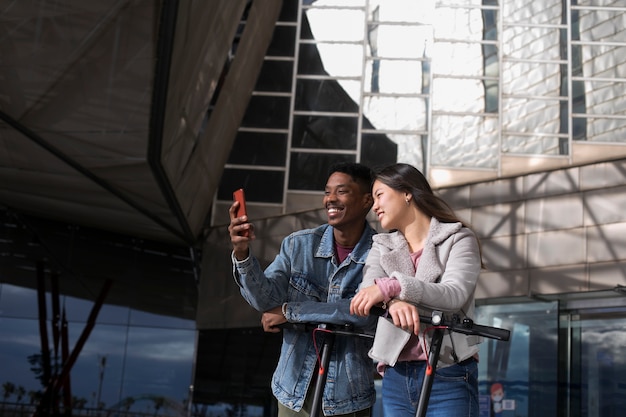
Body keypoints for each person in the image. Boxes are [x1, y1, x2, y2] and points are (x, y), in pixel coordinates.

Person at [229, 162, 378, 417]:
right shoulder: (298, 245)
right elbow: (266, 300)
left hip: (349, 396)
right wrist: (242, 252)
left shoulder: (381, 252)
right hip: (293, 390)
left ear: (367, 200)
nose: (330, 198)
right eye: (327, 191)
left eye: (341, 191)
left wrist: (290, 311)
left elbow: (359, 312)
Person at [350, 163, 483, 417]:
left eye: (380, 195)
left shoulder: (459, 238)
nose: (374, 206)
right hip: (396, 375)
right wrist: (393, 302)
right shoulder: (382, 245)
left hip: (449, 371)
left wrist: (395, 286)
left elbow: (454, 294)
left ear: (407, 192)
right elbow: (367, 290)